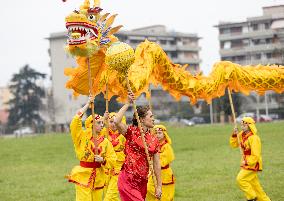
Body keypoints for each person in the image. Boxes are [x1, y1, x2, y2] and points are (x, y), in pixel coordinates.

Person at [66, 96, 117, 201]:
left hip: (98, 176)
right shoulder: (81, 136)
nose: (102, 125)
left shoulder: (105, 142)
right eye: (99, 123)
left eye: (102, 122)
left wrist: (103, 160)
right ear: (91, 124)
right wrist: (88, 104)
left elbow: (113, 159)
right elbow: (75, 122)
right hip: (83, 175)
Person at [114, 91, 162, 201]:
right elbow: (116, 121)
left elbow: (157, 165)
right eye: (151, 116)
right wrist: (127, 103)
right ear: (141, 120)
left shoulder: (154, 139)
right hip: (128, 180)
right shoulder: (131, 132)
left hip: (142, 182)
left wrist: (159, 186)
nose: (153, 118)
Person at [230, 117, 271, 201]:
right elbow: (234, 145)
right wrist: (234, 135)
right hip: (246, 163)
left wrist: (247, 161)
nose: (242, 126)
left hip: (253, 164)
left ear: (249, 126)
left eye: (244, 125)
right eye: (241, 124)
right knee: (256, 187)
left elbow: (256, 155)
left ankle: (252, 197)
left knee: (240, 179)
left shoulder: (254, 138)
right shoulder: (241, 135)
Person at [147, 125, 175, 201]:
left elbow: (164, 161)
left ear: (164, 134)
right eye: (155, 133)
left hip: (164, 173)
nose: (157, 135)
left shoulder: (166, 147)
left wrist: (155, 163)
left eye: (159, 133)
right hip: (153, 172)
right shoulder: (153, 146)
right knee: (149, 188)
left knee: (165, 194)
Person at [103, 112, 127, 201]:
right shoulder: (104, 133)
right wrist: (103, 119)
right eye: (111, 121)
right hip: (107, 166)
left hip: (119, 166)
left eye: (115, 122)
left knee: (110, 195)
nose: (113, 124)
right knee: (108, 193)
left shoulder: (124, 134)